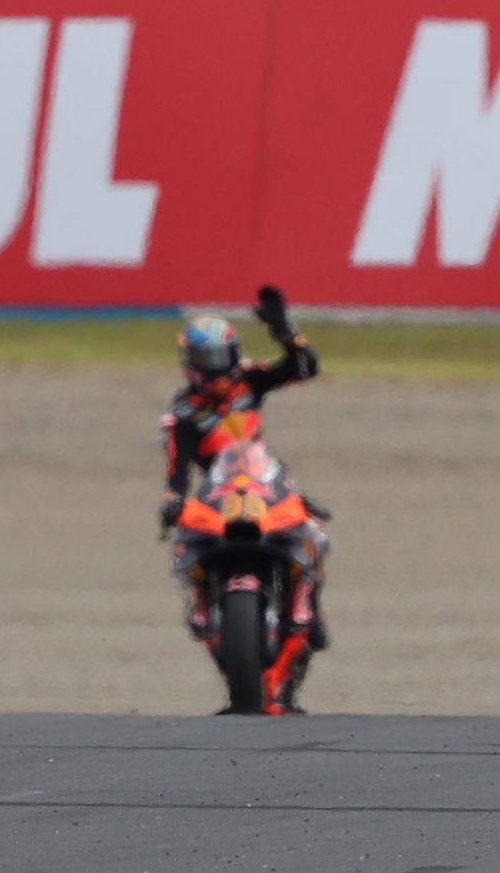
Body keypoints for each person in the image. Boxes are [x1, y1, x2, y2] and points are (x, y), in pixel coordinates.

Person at [158, 287, 327, 712]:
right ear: (190, 366)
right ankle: (204, 612)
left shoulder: (248, 380)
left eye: (222, 356)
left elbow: (304, 367)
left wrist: (283, 329)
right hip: (216, 494)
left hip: (264, 483)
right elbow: (176, 467)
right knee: (186, 553)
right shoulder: (182, 412)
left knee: (315, 534)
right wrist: (172, 500)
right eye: (206, 361)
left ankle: (307, 612)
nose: (217, 368)